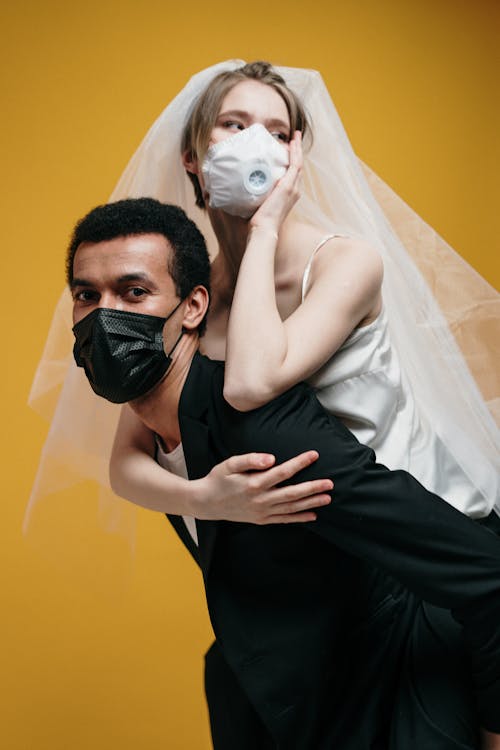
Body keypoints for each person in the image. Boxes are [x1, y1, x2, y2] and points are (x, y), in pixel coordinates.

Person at [69, 197, 500, 749]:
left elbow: (488, 575)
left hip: (400, 696)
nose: (107, 317)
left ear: (194, 307)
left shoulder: (268, 435)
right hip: (278, 693)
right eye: (87, 295)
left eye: (134, 292)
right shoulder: (150, 439)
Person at [25, 60, 498, 536]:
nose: (257, 144)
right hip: (323, 561)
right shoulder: (193, 297)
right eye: (234, 124)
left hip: (430, 538)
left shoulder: (345, 263)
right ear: (191, 155)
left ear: (295, 159)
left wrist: (265, 226)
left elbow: (251, 384)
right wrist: (205, 499)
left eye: (278, 133)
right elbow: (128, 459)